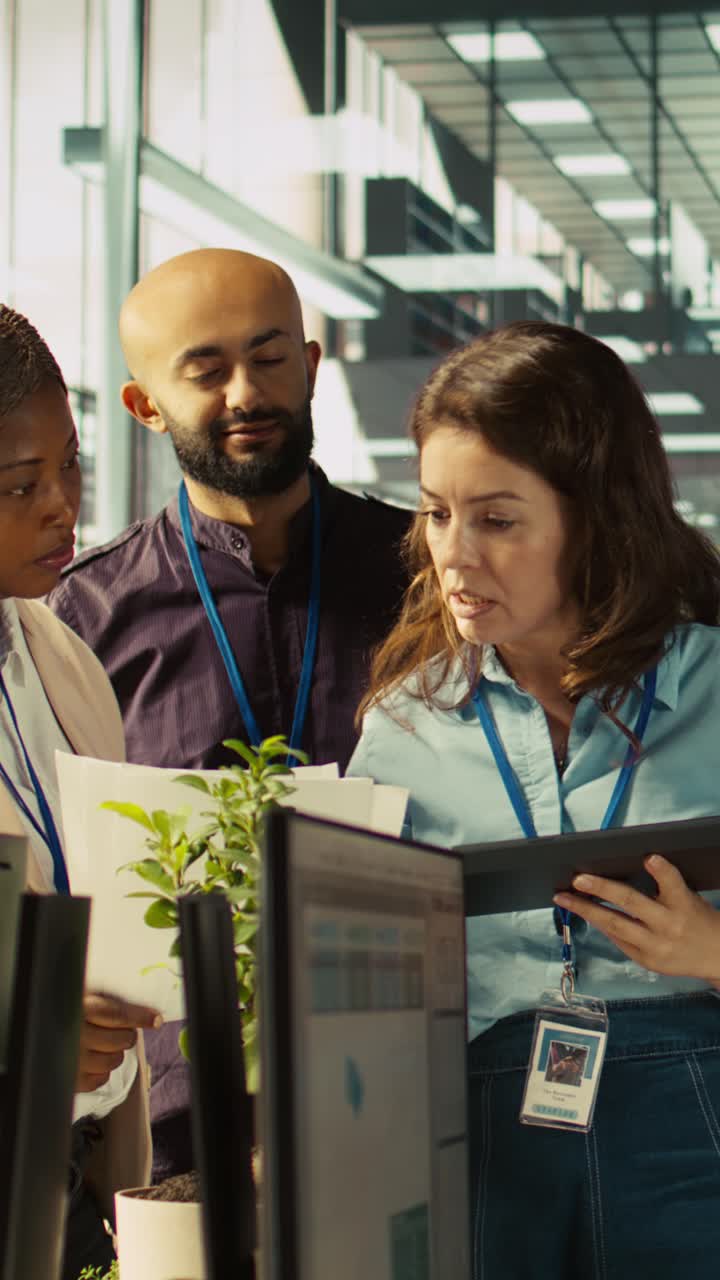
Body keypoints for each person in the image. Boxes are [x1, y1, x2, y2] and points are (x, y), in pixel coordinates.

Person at [348, 320, 720, 1279]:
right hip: (483, 1154)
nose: (454, 556)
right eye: (437, 513)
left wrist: (713, 952)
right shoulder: (403, 729)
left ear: (595, 518)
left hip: (696, 1143)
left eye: (497, 520)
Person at [48, 247, 411, 1181]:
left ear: (312, 365)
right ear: (146, 405)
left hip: (408, 1070)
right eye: (206, 370)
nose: (247, 392)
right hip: (174, 1111)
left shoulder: (427, 578)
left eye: (270, 356)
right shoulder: (82, 620)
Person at [0, 305, 159, 1279]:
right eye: (22, 484)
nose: (63, 504)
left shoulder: (63, 652)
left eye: (71, 463)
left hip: (78, 1174)